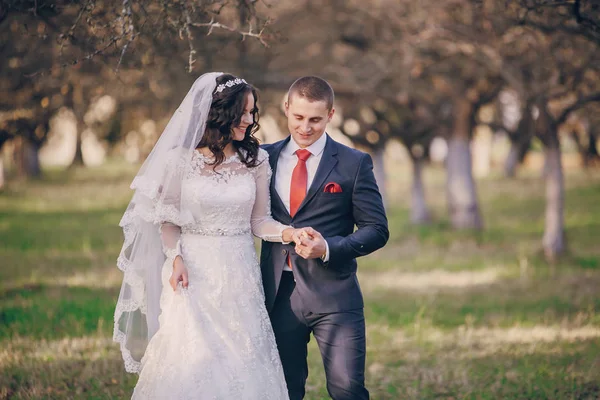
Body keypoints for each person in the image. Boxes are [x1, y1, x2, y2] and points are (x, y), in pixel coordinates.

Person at [113, 72, 304, 399]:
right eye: (242, 112)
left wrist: (290, 232)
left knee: (242, 359)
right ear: (221, 113)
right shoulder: (179, 161)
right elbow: (168, 220)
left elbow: (259, 221)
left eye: (251, 112)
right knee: (192, 356)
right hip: (192, 271)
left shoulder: (256, 160)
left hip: (239, 274)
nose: (248, 119)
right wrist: (175, 259)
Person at [260, 76, 389, 400]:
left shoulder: (354, 163)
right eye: (299, 117)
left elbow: (377, 229)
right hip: (278, 296)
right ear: (286, 109)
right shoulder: (262, 158)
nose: (305, 127)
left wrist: (329, 247)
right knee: (284, 390)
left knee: (347, 389)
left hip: (336, 296)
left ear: (331, 114)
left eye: (315, 119)